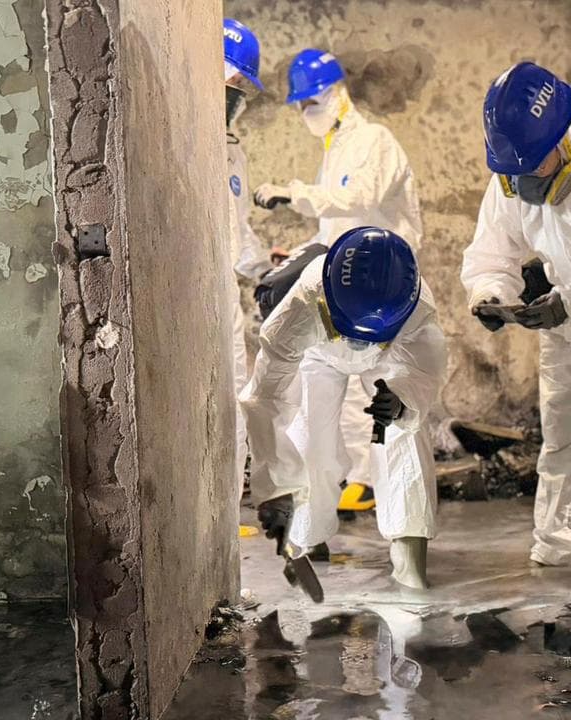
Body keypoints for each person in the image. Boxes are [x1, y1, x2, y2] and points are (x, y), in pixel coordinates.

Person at [460, 62, 571, 567]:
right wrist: (490, 295)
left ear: (563, 137)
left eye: (533, 162)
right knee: (561, 443)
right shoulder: (508, 181)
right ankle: (555, 547)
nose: (524, 177)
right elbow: (491, 255)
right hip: (562, 329)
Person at [253, 49, 424, 516]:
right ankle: (358, 481)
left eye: (310, 102)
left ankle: (391, 489)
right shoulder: (336, 148)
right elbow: (335, 226)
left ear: (336, 94)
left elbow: (360, 198)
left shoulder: (375, 141)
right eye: (301, 105)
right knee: (340, 374)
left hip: (388, 281)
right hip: (350, 283)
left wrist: (297, 192)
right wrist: (304, 251)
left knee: (383, 381)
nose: (305, 113)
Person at [243, 226, 446, 589]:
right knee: (309, 436)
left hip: (388, 357)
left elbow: (423, 374)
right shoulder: (300, 308)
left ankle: (408, 548)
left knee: (403, 433)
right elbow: (267, 401)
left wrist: (402, 400)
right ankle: (304, 537)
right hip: (317, 355)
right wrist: (273, 490)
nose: (357, 342)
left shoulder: (417, 310)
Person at [222, 19, 277, 500]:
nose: (237, 96)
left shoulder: (231, 152)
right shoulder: (172, 141)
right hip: (185, 301)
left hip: (222, 301)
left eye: (242, 88)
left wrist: (266, 269)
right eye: (232, 85)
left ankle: (225, 504)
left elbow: (236, 231)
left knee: (235, 395)